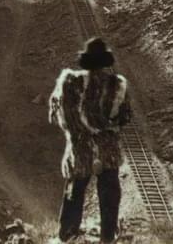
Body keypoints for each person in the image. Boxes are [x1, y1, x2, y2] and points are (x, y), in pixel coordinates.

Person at [48, 37, 131, 243]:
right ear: (105, 61)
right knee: (109, 194)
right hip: (108, 150)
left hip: (80, 148)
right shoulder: (116, 86)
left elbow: (65, 119)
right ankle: (107, 237)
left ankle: (68, 235)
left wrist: (81, 132)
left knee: (74, 191)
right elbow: (124, 117)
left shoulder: (71, 83)